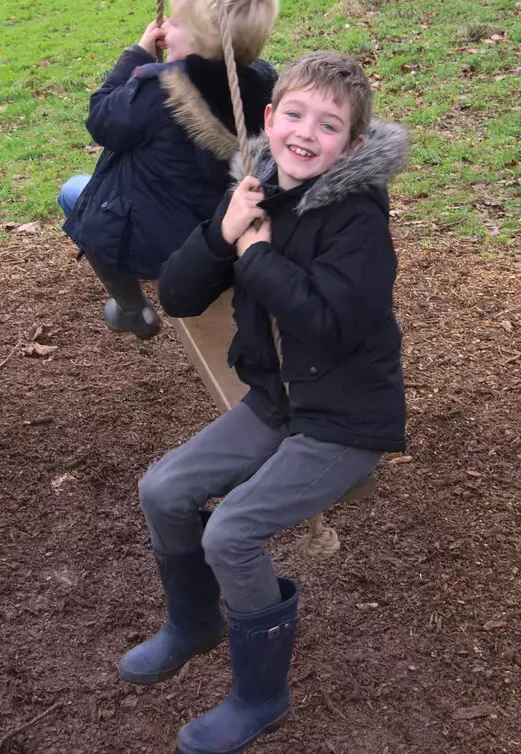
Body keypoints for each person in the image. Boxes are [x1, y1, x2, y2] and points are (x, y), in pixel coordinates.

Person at [124, 51, 409, 754]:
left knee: (233, 533)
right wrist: (226, 233)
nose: (306, 133)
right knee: (162, 488)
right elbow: (180, 297)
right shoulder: (255, 190)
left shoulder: (357, 220)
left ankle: (260, 693)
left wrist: (256, 258)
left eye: (329, 123)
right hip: (278, 403)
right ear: (268, 118)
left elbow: (333, 325)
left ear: (354, 144)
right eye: (294, 114)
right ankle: (194, 622)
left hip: (344, 422)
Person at [59, 0, 279, 338]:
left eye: (174, 22)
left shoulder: (160, 86)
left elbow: (101, 121)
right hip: (222, 228)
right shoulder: (263, 81)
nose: (163, 26)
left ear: (200, 39)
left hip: (165, 241)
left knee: (75, 196)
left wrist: (137, 55)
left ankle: (132, 308)